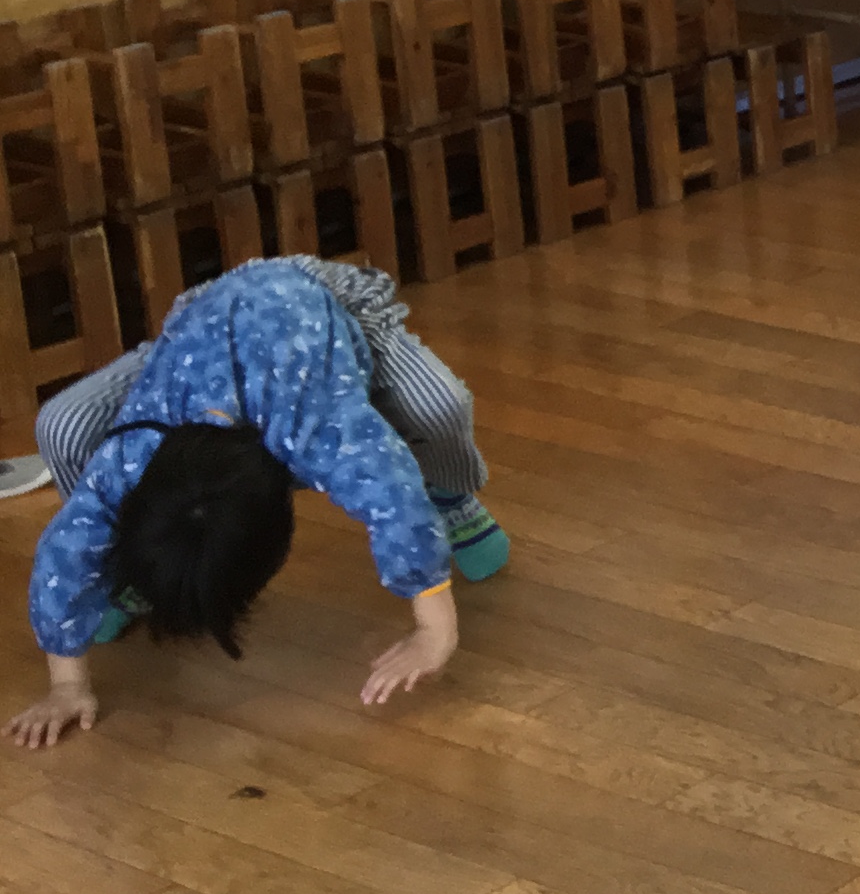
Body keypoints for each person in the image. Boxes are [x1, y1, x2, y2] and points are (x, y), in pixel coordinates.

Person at [12, 258, 511, 748]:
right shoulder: (135, 447)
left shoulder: (314, 420)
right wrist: (67, 685)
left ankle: (447, 494)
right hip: (198, 325)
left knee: (439, 406)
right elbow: (65, 546)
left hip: (320, 300)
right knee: (62, 425)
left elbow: (393, 491)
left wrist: (434, 628)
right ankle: (129, 573)